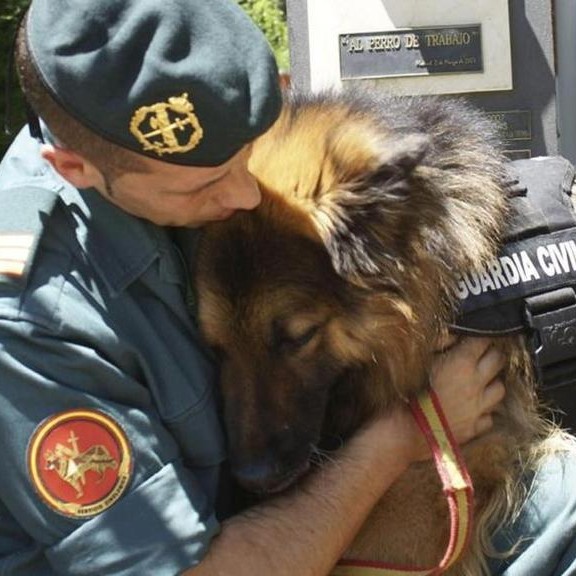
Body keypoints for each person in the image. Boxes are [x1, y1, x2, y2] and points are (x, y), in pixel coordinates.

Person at [0, 0, 507, 574]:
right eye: (207, 187)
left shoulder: (175, 178)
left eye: (244, 161)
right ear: (75, 169)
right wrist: (399, 440)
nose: (243, 197)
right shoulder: (31, 316)